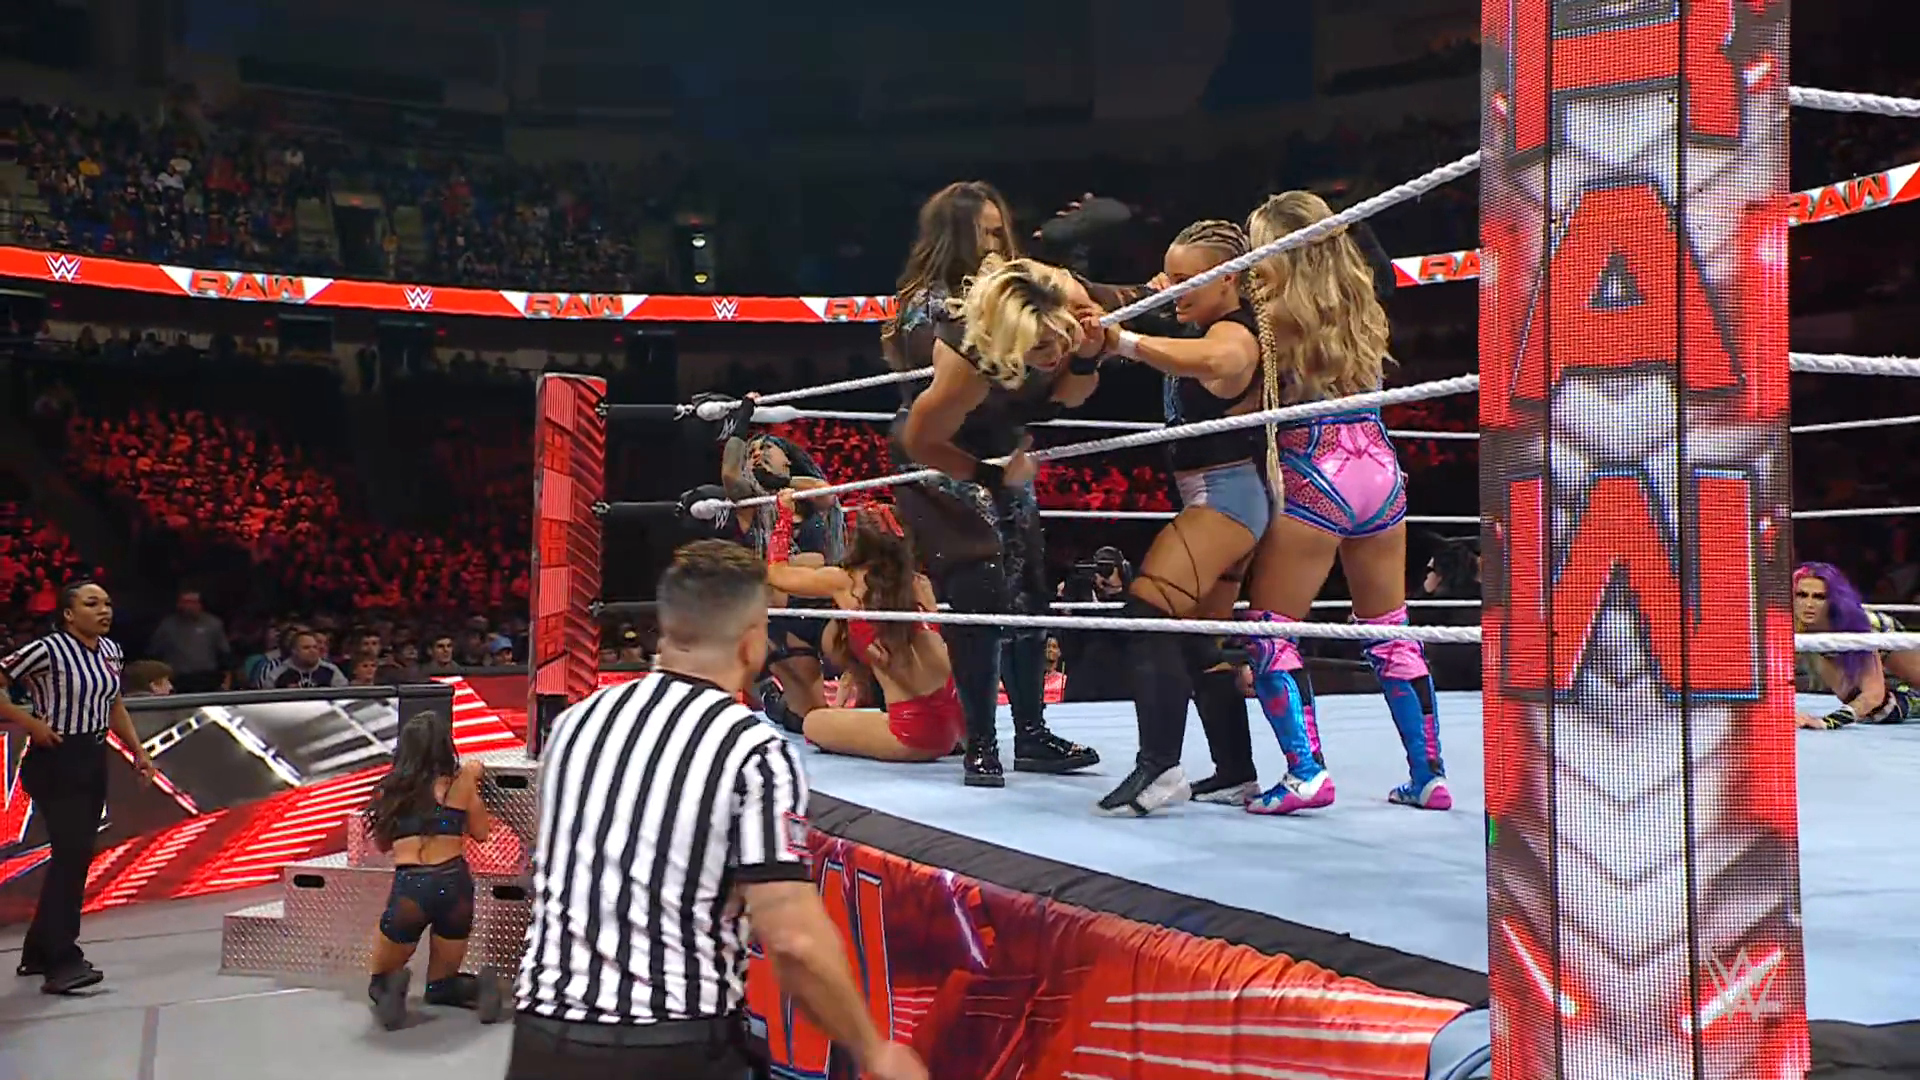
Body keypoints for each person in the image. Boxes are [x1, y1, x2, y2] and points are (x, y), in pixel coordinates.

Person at [510, 540, 924, 1080]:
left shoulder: (575, 724)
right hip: (672, 1042)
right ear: (753, 642)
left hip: (541, 1036)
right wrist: (872, 1050)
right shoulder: (751, 749)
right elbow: (792, 937)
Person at [964, 221, 1267, 814]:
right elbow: (1120, 306)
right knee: (1197, 641)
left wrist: (1122, 340)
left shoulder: (1234, 332)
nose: (1173, 289)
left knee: (1148, 610)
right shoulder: (1199, 320)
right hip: (1222, 496)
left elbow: (1218, 359)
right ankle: (1236, 770)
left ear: (1228, 278)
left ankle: (1160, 766)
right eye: (1170, 276)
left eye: (1187, 278)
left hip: (1226, 499)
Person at [1237, 191, 1451, 815]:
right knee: (1390, 632)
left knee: (1271, 630)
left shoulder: (1270, 315)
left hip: (1314, 469)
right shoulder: (1362, 304)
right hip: (1379, 470)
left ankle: (1305, 773)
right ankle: (1429, 776)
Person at [886, 181, 1102, 786]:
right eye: (983, 232)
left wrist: (1084, 341)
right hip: (942, 456)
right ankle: (981, 743)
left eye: (999, 230)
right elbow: (937, 410)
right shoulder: (930, 306)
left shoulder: (1020, 298)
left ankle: (1031, 734)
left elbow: (1063, 391)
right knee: (978, 591)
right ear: (954, 235)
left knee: (1030, 591)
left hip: (1005, 450)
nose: (995, 242)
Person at [0, 580, 156, 994]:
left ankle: (38, 952)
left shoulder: (111, 651)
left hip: (92, 754)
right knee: (72, 857)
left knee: (74, 856)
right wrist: (31, 723)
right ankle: (62, 960)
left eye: (107, 603)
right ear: (69, 614)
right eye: (92, 603)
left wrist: (139, 750)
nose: (104, 610)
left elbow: (113, 703)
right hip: (55, 758)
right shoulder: (47, 649)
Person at [765, 493, 962, 762]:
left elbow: (777, 574)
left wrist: (784, 516)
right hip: (953, 723)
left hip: (912, 732)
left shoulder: (847, 582)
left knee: (813, 723)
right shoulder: (920, 584)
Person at [360, 711, 503, 1030]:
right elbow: (482, 833)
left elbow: (383, 844)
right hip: (455, 885)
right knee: (441, 987)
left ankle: (391, 989)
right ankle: (480, 987)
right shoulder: (461, 783)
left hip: (413, 886)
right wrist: (470, 783)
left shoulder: (391, 790)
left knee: (378, 982)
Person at [722, 432, 843, 732]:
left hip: (824, 610)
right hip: (785, 619)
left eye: (766, 447)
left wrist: (782, 483)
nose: (758, 453)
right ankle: (773, 700)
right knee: (809, 719)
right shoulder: (753, 503)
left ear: (787, 457)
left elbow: (827, 494)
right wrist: (738, 424)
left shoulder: (810, 497)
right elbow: (730, 476)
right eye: (752, 451)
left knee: (862, 672)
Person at [1792, 562, 1918, 728]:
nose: (1809, 604)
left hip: (1882, 638)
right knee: (1874, 710)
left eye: (1819, 597)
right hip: (1834, 650)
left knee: (1881, 709)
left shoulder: (1856, 627)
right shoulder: (1793, 626)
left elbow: (1873, 695)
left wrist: (1827, 722)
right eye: (1802, 595)